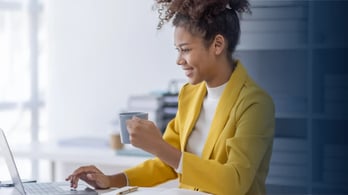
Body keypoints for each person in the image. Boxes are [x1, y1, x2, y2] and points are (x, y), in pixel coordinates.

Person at [66, 0, 275, 194]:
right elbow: (168, 162)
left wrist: (159, 146)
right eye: (177, 50)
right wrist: (112, 181)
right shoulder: (190, 94)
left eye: (185, 50)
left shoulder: (255, 104)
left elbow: (235, 181)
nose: (179, 60)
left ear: (217, 45)